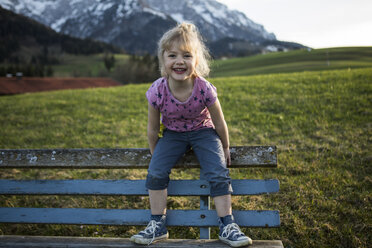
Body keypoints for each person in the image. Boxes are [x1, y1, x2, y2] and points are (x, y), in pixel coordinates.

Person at [129, 22, 252, 247]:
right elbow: (152, 129)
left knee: (217, 172)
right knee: (155, 172)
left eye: (186, 55)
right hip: (173, 134)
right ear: (163, 61)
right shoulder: (157, 90)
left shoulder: (204, 87)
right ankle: (157, 225)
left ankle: (227, 225)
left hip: (204, 132)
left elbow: (219, 121)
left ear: (196, 61)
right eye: (172, 55)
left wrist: (225, 146)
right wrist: (157, 154)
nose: (179, 61)